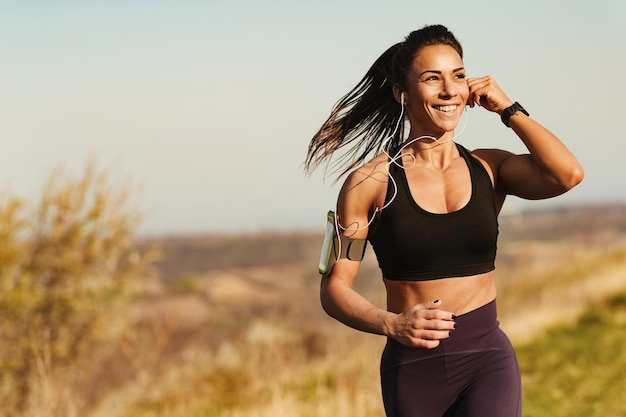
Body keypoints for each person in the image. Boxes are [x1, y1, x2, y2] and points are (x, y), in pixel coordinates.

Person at [304, 24, 584, 417]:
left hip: (488, 359)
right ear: (401, 93)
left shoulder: (489, 167)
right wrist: (392, 324)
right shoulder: (370, 183)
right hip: (413, 370)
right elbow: (334, 289)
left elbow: (567, 175)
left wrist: (508, 108)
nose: (450, 90)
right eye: (432, 78)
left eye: (458, 76)